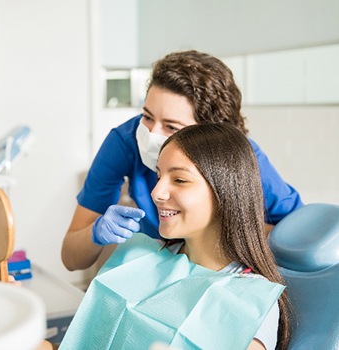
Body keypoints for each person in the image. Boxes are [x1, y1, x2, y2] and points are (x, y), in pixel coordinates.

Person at [46, 123, 291, 350]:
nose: (157, 192)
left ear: (225, 192)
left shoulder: (251, 300)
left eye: (180, 180)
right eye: (159, 176)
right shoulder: (138, 256)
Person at [61, 50, 303, 272]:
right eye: (147, 116)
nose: (151, 134)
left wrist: (230, 228)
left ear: (211, 137)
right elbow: (72, 259)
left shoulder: (240, 159)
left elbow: (301, 243)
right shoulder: (125, 142)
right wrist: (97, 232)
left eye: (171, 126)